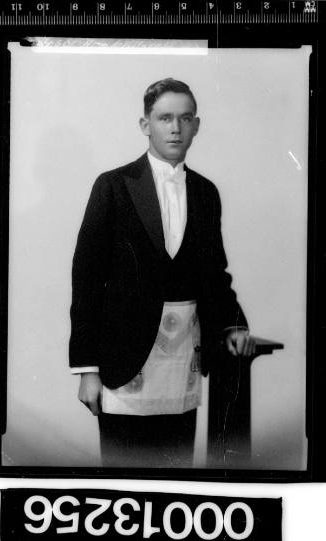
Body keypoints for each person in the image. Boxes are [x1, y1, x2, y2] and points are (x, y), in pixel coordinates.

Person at [69, 78, 255, 468]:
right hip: (124, 361)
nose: (175, 128)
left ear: (196, 126)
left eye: (185, 119)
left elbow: (214, 273)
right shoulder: (113, 185)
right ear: (145, 124)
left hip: (181, 359)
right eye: (165, 117)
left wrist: (235, 323)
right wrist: (88, 370)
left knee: (176, 473)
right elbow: (86, 281)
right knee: (123, 481)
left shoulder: (206, 192)